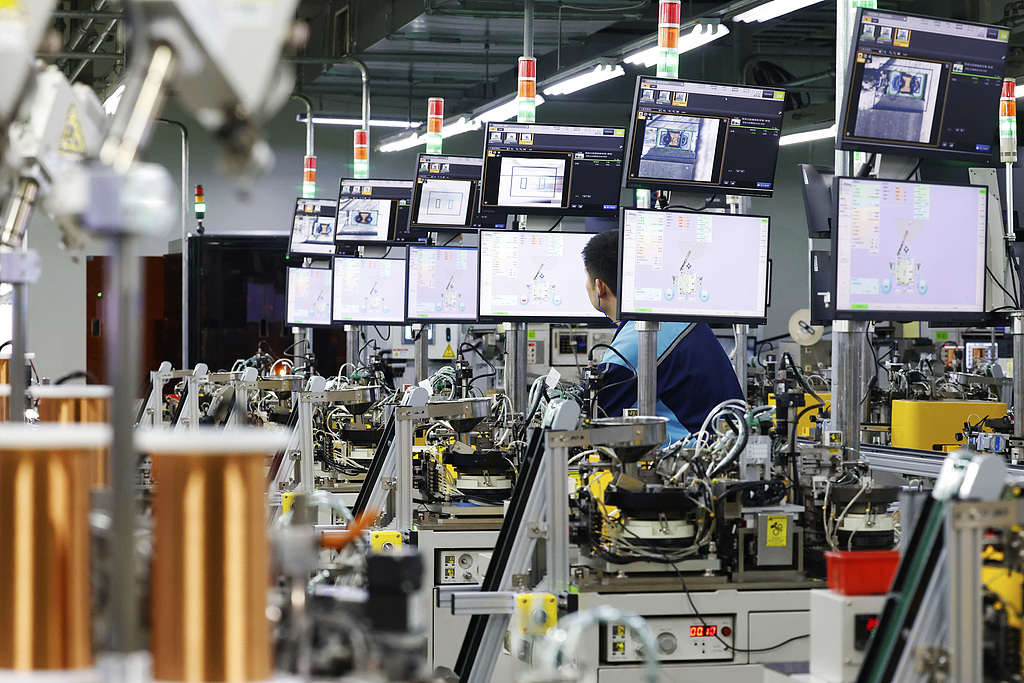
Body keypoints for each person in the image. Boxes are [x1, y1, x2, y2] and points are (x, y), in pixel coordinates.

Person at [581, 229, 743, 443]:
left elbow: (594, 418)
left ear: (599, 286)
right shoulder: (679, 318)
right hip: (729, 447)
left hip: (694, 456)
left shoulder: (640, 338)